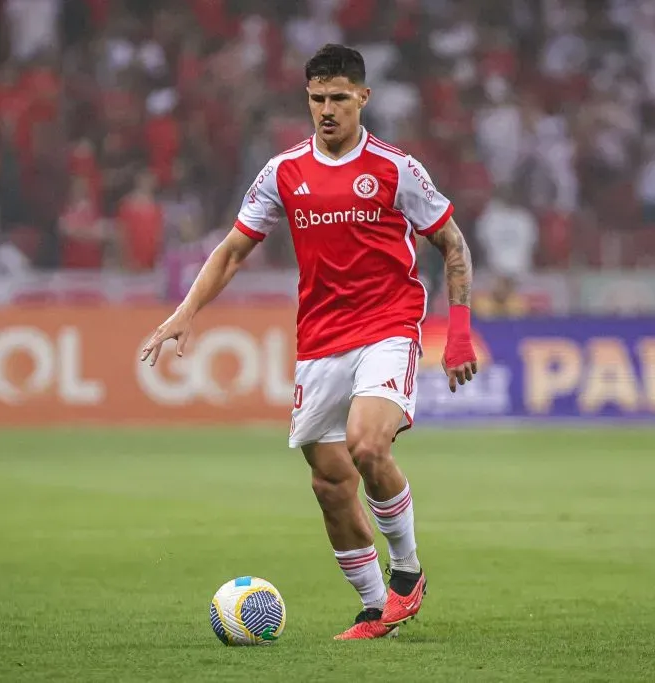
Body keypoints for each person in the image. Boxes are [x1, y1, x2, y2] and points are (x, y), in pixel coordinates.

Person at [140, 44, 477, 640]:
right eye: (318, 98)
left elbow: (452, 241)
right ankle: (374, 610)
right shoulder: (283, 172)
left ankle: (407, 571)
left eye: (339, 98)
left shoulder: (397, 168)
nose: (327, 109)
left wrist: (460, 332)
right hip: (320, 340)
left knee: (367, 446)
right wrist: (186, 312)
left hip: (388, 326)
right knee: (329, 484)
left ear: (363, 98)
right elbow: (233, 249)